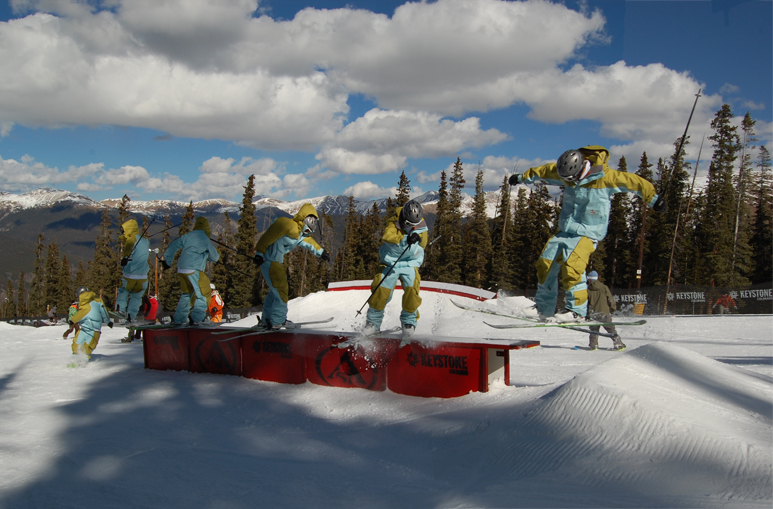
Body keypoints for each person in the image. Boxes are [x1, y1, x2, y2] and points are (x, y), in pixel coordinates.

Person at [510, 145, 665, 323]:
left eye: (572, 178)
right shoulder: (566, 174)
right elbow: (544, 171)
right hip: (566, 230)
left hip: (588, 231)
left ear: (581, 167)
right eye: (566, 180)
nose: (570, 182)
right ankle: (544, 309)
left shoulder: (606, 177)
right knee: (545, 263)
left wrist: (654, 199)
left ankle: (576, 311)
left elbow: (635, 182)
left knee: (572, 265)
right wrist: (521, 177)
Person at [254, 203, 329, 329]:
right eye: (308, 227)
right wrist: (259, 253)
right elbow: (268, 236)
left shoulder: (299, 234)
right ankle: (278, 320)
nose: (308, 232)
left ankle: (266, 320)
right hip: (269, 260)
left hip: (272, 260)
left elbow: (308, 242)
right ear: (305, 219)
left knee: (274, 292)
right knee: (281, 289)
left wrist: (321, 252)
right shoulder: (287, 224)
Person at [363, 200, 429, 337]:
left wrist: (417, 238)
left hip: (410, 263)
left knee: (412, 290)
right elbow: (387, 236)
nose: (412, 227)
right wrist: (406, 239)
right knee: (380, 290)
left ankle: (409, 322)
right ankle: (372, 323)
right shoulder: (394, 222)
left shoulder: (421, 226)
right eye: (409, 224)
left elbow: (423, 244)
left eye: (415, 225)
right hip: (390, 263)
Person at [161, 217, 220, 325]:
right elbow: (215, 257)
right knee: (204, 294)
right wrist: (210, 255)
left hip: (181, 269)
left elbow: (174, 245)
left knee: (187, 294)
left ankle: (179, 319)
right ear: (207, 228)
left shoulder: (187, 236)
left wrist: (167, 261)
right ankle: (198, 319)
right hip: (194, 269)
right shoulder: (204, 239)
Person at [115, 219, 151, 322]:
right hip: (143, 276)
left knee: (124, 291)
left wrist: (124, 259)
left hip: (130, 274)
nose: (123, 233)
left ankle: (120, 309)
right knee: (137, 297)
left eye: (124, 231)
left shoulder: (131, 240)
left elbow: (128, 250)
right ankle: (132, 316)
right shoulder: (145, 240)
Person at [586, 270, 625, 351]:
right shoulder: (604, 287)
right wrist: (613, 308)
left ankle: (593, 345)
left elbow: (586, 302)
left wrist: (586, 314)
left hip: (593, 314)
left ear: (589, 279)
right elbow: (610, 299)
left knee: (594, 330)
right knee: (611, 329)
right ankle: (618, 344)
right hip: (604, 313)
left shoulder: (588, 290)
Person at [69, 287, 112, 359]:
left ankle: (77, 359)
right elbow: (104, 311)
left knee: (77, 343)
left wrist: (72, 320)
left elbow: (81, 314)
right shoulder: (98, 301)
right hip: (94, 329)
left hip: (85, 329)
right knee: (88, 345)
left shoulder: (83, 304)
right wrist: (108, 321)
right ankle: (82, 359)